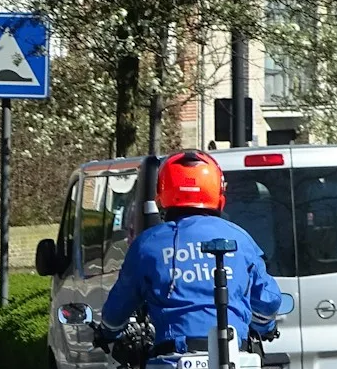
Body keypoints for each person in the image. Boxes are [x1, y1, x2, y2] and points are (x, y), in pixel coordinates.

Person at [100, 149, 282, 351]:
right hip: (236, 358)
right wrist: (266, 327)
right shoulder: (240, 239)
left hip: (170, 360)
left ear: (162, 191)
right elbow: (267, 301)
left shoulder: (147, 244)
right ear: (218, 190)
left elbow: (117, 309)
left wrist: (107, 332)